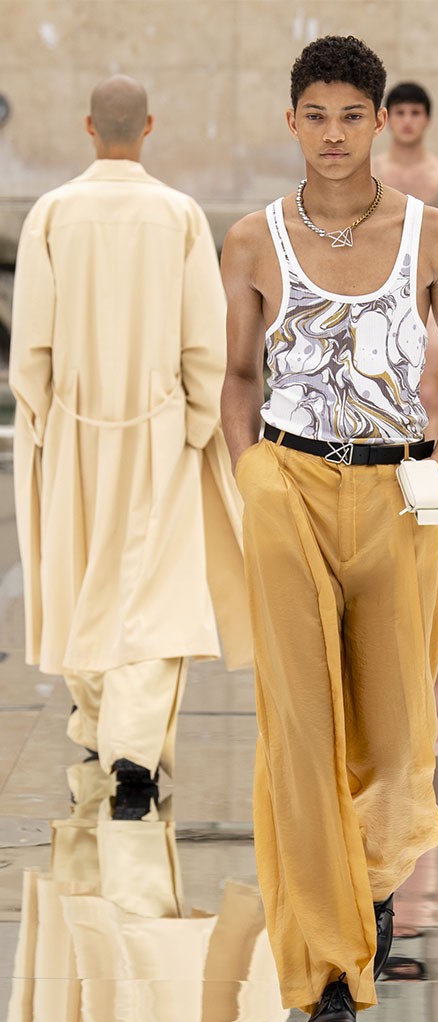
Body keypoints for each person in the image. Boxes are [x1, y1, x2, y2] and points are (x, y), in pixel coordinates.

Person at [220, 35, 438, 1022]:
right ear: (291, 121)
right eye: (314, 115)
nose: (332, 135)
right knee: (300, 728)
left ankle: (368, 888)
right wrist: (248, 477)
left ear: (380, 121)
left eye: (350, 116)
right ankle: (330, 980)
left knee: (394, 732)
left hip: (395, 495)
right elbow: (238, 375)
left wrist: (437, 474)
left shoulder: (431, 234)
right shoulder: (252, 239)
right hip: (286, 485)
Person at [10, 75, 227, 819]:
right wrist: (197, 424)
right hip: (160, 425)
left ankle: (103, 721)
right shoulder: (180, 214)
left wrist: (42, 423)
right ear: (149, 126)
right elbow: (205, 339)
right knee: (156, 584)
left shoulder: (51, 213)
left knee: (80, 574)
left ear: (88, 126)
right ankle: (130, 742)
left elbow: (29, 345)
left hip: (72, 425)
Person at [374, 81, 438, 439]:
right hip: (376, 292)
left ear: (427, 120)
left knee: (428, 393)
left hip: (432, 296)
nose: (407, 121)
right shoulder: (368, 175)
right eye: (400, 113)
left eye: (415, 113)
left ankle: (430, 472)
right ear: (385, 119)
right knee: (376, 392)